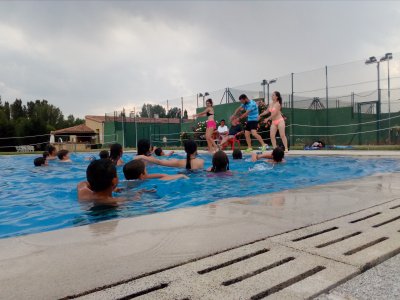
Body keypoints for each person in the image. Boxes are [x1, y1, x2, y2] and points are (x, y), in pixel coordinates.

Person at [137, 140, 204, 170]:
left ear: (185, 150)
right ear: (196, 149)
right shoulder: (201, 161)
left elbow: (160, 162)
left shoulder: (179, 162)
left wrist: (142, 156)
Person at [123, 160, 188, 181]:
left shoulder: (125, 182)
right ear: (141, 175)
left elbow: (143, 177)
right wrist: (182, 175)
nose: (147, 170)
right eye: (145, 169)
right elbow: (164, 177)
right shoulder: (144, 184)